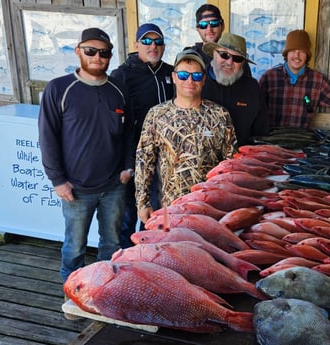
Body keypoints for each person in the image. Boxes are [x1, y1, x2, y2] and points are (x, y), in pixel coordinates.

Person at [38, 27, 132, 284]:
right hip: (76, 189)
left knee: (111, 244)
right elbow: (47, 137)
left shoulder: (118, 89)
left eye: (104, 52)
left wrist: (128, 167)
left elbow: (127, 133)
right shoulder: (59, 89)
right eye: (90, 51)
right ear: (78, 52)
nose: (97, 57)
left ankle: (104, 291)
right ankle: (72, 292)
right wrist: (57, 180)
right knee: (74, 247)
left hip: (114, 186)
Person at [135, 49, 237, 223]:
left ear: (203, 80)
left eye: (196, 76)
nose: (190, 80)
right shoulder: (157, 114)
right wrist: (142, 202)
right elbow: (144, 161)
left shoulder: (220, 115)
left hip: (209, 210)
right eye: (183, 75)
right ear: (174, 77)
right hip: (169, 209)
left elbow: (230, 165)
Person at [109, 23, 174, 248]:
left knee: (155, 218)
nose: (152, 46)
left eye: (158, 41)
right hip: (132, 158)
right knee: (127, 216)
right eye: (146, 41)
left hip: (164, 161)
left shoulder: (171, 73)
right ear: (136, 45)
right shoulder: (121, 75)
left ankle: (147, 262)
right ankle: (124, 267)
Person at [202, 32, 269, 147]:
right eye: (224, 55)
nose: (229, 62)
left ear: (243, 63)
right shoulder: (195, 82)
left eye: (237, 58)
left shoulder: (252, 88)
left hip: (240, 161)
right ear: (214, 53)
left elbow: (261, 134)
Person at [184, 4, 251, 76]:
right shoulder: (190, 55)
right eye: (203, 25)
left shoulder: (237, 56)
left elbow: (247, 85)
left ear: (222, 26)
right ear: (197, 28)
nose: (209, 29)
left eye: (214, 23)